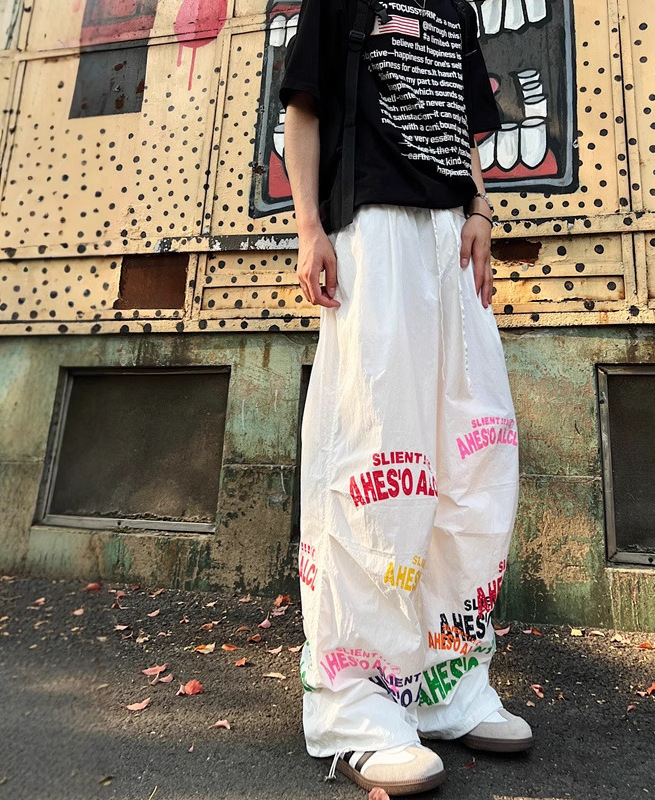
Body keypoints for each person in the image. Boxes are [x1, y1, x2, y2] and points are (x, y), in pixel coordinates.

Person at [280, 0, 531, 793]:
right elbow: (303, 110)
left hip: (450, 239)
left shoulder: (456, 10)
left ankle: (450, 685)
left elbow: (461, 127)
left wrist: (482, 208)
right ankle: (357, 704)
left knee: (471, 467)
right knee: (374, 461)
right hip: (373, 232)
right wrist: (309, 229)